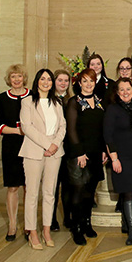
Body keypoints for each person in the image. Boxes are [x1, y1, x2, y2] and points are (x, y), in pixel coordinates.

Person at [19, 69, 67, 250]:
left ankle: (46, 230)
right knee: (32, 194)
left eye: (49, 79)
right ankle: (32, 231)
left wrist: (55, 144)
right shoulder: (27, 102)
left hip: (55, 153)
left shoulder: (57, 102)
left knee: (49, 193)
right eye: (42, 79)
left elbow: (63, 125)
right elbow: (27, 127)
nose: (46, 82)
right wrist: (47, 145)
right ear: (37, 81)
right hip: (34, 151)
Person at [104, 77, 132, 245]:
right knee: (128, 191)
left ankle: (126, 224)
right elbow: (108, 135)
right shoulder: (112, 109)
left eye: (128, 89)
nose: (125, 92)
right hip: (122, 157)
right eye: (121, 90)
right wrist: (114, 158)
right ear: (117, 92)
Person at [64, 68, 107, 246]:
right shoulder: (74, 102)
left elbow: (102, 128)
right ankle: (76, 228)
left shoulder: (99, 101)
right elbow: (71, 130)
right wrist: (79, 152)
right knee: (78, 191)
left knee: (90, 193)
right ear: (79, 83)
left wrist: (105, 149)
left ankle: (87, 223)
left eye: (92, 81)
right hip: (79, 154)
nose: (89, 84)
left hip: (96, 152)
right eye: (85, 81)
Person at [0, 64, 30, 242]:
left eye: (19, 76)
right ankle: (13, 224)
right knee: (13, 186)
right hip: (11, 146)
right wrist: (15, 131)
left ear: (24, 78)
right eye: (13, 76)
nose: (16, 80)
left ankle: (29, 224)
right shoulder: (2, 98)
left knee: (29, 187)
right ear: (9, 79)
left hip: (30, 146)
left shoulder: (32, 96)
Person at [50, 70, 73, 232]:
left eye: (66, 81)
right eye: (60, 80)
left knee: (67, 185)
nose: (63, 83)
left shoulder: (72, 100)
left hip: (68, 148)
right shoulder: (47, 100)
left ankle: (67, 217)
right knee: (52, 186)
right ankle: (50, 219)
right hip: (52, 147)